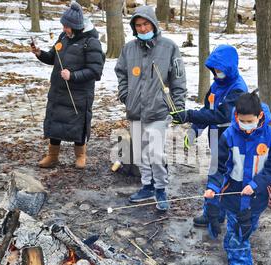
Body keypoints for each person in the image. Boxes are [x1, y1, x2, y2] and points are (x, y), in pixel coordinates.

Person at [204, 91, 271, 265]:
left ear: (259, 116)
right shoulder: (229, 136)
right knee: (236, 233)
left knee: (246, 227)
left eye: (249, 121)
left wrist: (257, 183)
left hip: (257, 196)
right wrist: (213, 187)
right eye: (241, 121)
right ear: (236, 117)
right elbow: (219, 166)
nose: (245, 126)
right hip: (233, 193)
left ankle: (240, 255)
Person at [115, 5, 187, 212]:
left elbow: (178, 79)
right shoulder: (129, 49)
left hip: (158, 110)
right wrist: (125, 95)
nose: (142, 28)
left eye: (146, 24)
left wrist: (177, 107)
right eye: (138, 25)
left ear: (153, 24)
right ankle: (146, 185)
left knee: (155, 152)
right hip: (135, 109)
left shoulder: (169, 47)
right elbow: (121, 72)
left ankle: (161, 188)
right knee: (140, 152)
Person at [170, 44, 248, 228]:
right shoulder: (216, 85)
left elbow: (222, 115)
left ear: (229, 68)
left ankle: (223, 214)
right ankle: (214, 213)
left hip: (231, 139)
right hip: (215, 137)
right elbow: (208, 109)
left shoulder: (237, 89)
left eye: (221, 70)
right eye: (215, 69)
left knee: (223, 175)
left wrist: (188, 114)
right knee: (216, 175)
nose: (217, 72)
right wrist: (195, 129)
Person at [32, 2, 105, 169]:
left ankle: (80, 156)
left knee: (77, 124)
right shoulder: (63, 37)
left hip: (79, 94)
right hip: (58, 91)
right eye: (64, 25)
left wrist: (73, 76)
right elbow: (53, 57)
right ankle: (52, 156)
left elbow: (95, 71)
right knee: (55, 123)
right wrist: (39, 53)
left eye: (67, 26)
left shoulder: (91, 42)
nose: (64, 29)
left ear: (77, 27)